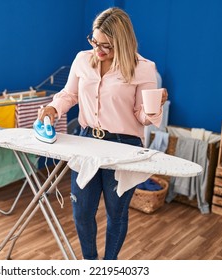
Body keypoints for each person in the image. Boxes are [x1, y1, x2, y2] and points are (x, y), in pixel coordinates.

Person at [38, 7, 168, 260]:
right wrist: (54, 108)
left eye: (106, 46)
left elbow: (142, 117)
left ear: (123, 41)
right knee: (82, 212)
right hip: (86, 141)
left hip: (124, 145)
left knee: (116, 213)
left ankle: (109, 266)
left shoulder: (143, 68)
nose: (98, 50)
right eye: (94, 41)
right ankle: (90, 264)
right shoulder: (82, 59)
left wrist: (155, 107)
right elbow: (70, 94)